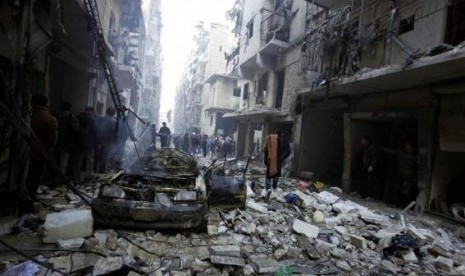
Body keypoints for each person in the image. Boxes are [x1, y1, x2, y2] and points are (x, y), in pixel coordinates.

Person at [23, 94, 58, 213]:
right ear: (46, 104)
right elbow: (51, 140)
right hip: (39, 154)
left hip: (23, 152)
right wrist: (46, 150)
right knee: (35, 177)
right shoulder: (50, 119)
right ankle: (29, 200)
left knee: (26, 176)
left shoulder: (27, 116)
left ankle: (26, 197)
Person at [382, 141, 418, 206]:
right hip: (401, 174)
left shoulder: (414, 157)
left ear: (411, 147)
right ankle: (396, 203)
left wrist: (414, 177)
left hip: (409, 176)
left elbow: (416, 168)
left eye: (407, 145)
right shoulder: (401, 153)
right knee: (397, 189)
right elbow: (392, 151)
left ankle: (405, 205)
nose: (405, 146)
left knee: (406, 191)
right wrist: (381, 148)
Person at [263, 131, 291, 199]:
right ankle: (274, 190)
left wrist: (266, 161)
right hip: (278, 161)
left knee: (269, 176)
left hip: (270, 161)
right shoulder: (284, 141)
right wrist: (282, 157)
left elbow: (266, 150)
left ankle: (268, 190)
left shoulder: (270, 139)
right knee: (276, 175)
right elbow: (288, 151)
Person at [55, 101, 79, 175]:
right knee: (64, 159)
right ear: (70, 108)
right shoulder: (72, 117)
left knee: (56, 158)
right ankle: (61, 176)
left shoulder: (57, 115)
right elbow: (76, 129)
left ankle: (54, 174)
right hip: (66, 141)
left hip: (56, 140)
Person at [74, 106, 97, 177]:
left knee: (78, 159)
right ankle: (89, 173)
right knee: (89, 158)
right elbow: (95, 131)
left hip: (77, 141)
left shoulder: (77, 117)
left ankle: (76, 173)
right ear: (91, 111)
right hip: (88, 142)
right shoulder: (91, 119)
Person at [95, 107, 117, 173]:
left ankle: (94, 169)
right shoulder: (115, 121)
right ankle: (101, 170)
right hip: (108, 141)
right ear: (113, 113)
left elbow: (98, 128)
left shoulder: (103, 119)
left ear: (107, 112)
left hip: (100, 139)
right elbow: (115, 132)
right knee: (104, 156)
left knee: (97, 155)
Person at [360, 135, 382, 200]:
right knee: (364, 180)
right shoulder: (366, 147)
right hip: (366, 165)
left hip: (369, 166)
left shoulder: (372, 147)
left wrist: (371, 166)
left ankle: (370, 195)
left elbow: (375, 158)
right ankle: (363, 194)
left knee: (369, 181)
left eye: (363, 140)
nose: (361, 141)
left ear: (366, 140)